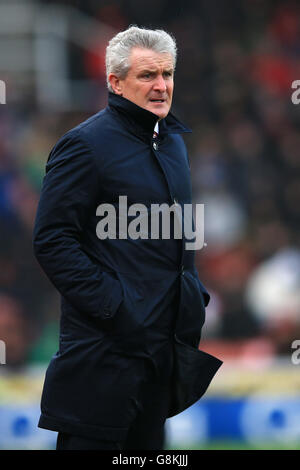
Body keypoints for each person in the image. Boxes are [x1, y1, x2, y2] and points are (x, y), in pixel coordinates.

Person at [33, 25, 222, 451]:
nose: (161, 86)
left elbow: (176, 236)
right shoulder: (84, 145)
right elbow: (52, 240)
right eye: (147, 76)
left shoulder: (173, 143)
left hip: (159, 357)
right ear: (115, 83)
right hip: (102, 361)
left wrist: (191, 297)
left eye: (167, 74)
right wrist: (117, 306)